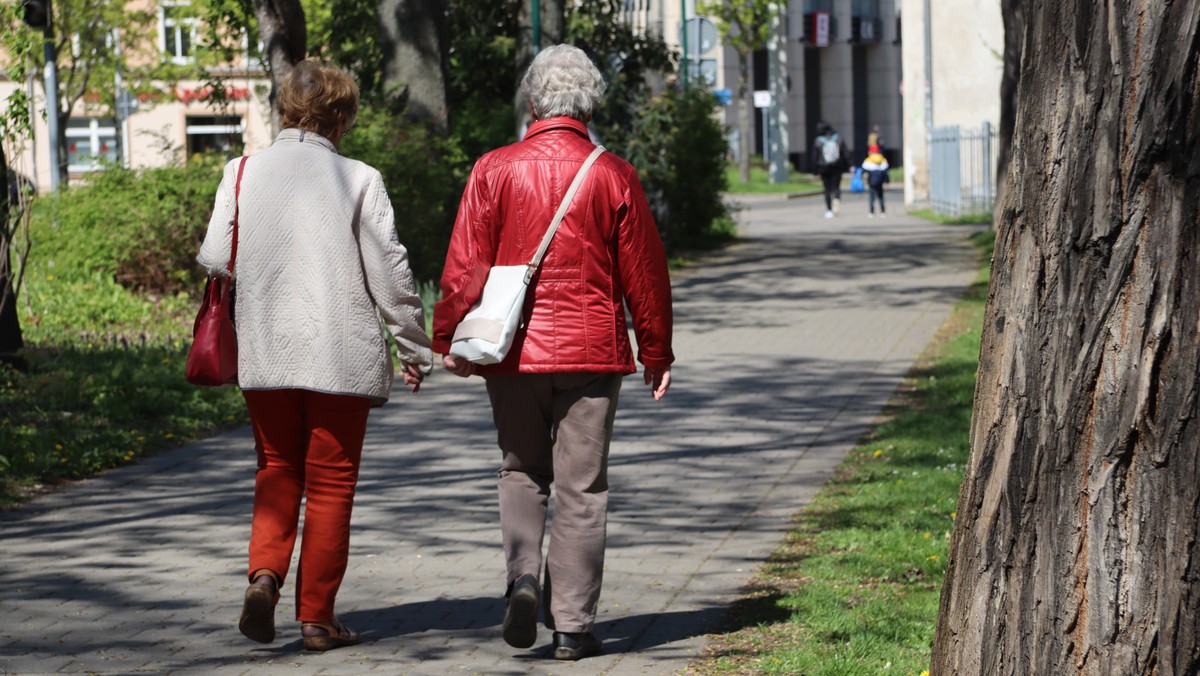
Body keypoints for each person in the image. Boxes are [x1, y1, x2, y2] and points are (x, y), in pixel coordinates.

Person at [433, 44, 674, 662]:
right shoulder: (612, 173)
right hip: (592, 354)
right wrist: (656, 350)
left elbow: (464, 266)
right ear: (589, 101)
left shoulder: (493, 168)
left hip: (512, 353)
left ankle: (522, 580)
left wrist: (447, 337)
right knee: (582, 488)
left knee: (521, 470)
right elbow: (643, 272)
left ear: (534, 100)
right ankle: (572, 626)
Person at [196, 60, 433, 652]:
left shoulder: (242, 171)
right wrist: (413, 347)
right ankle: (317, 619)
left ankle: (264, 576)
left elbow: (215, 256)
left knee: (277, 469)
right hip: (340, 356)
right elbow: (391, 273)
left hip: (266, 352)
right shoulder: (359, 178)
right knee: (331, 487)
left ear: (286, 107)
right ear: (342, 116)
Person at [812, 122, 850, 218]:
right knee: (836, 187)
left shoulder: (818, 141)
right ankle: (836, 200)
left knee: (827, 188)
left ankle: (829, 210)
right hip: (837, 166)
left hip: (823, 167)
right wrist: (848, 166)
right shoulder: (838, 139)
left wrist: (815, 170)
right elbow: (845, 153)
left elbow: (815, 156)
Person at [861, 144, 891, 217]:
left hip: (871, 182)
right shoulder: (883, 160)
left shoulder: (868, 160)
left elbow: (863, 171)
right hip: (880, 181)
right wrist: (887, 181)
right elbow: (886, 172)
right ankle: (883, 211)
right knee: (881, 196)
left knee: (872, 197)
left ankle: (871, 212)